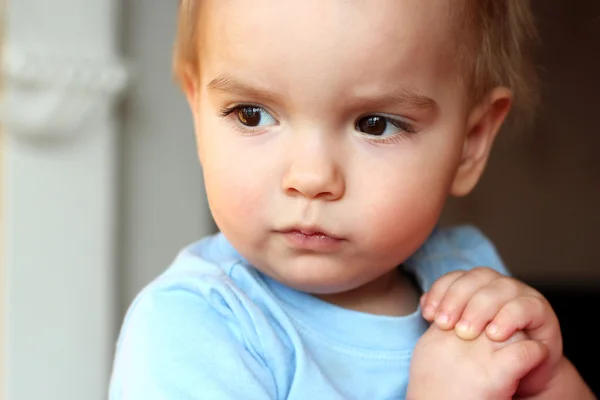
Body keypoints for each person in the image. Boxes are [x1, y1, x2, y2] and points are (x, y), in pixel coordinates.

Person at [109, 0, 594, 398]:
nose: (311, 177)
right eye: (252, 114)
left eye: (375, 124)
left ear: (470, 142)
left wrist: (548, 381)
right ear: (198, 115)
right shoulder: (196, 329)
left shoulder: (466, 280)